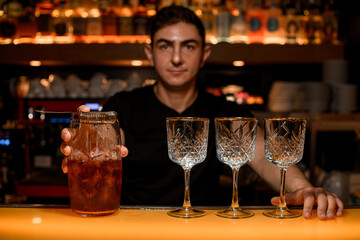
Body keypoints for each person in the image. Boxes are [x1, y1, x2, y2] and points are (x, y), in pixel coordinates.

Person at [61, 5, 343, 220]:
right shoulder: (123, 106)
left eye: (188, 46)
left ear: (205, 54)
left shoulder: (226, 112)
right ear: (149, 53)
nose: (175, 58)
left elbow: (264, 155)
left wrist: (304, 189)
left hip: (204, 228)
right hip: (135, 225)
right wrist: (83, 145)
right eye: (164, 46)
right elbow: (104, 144)